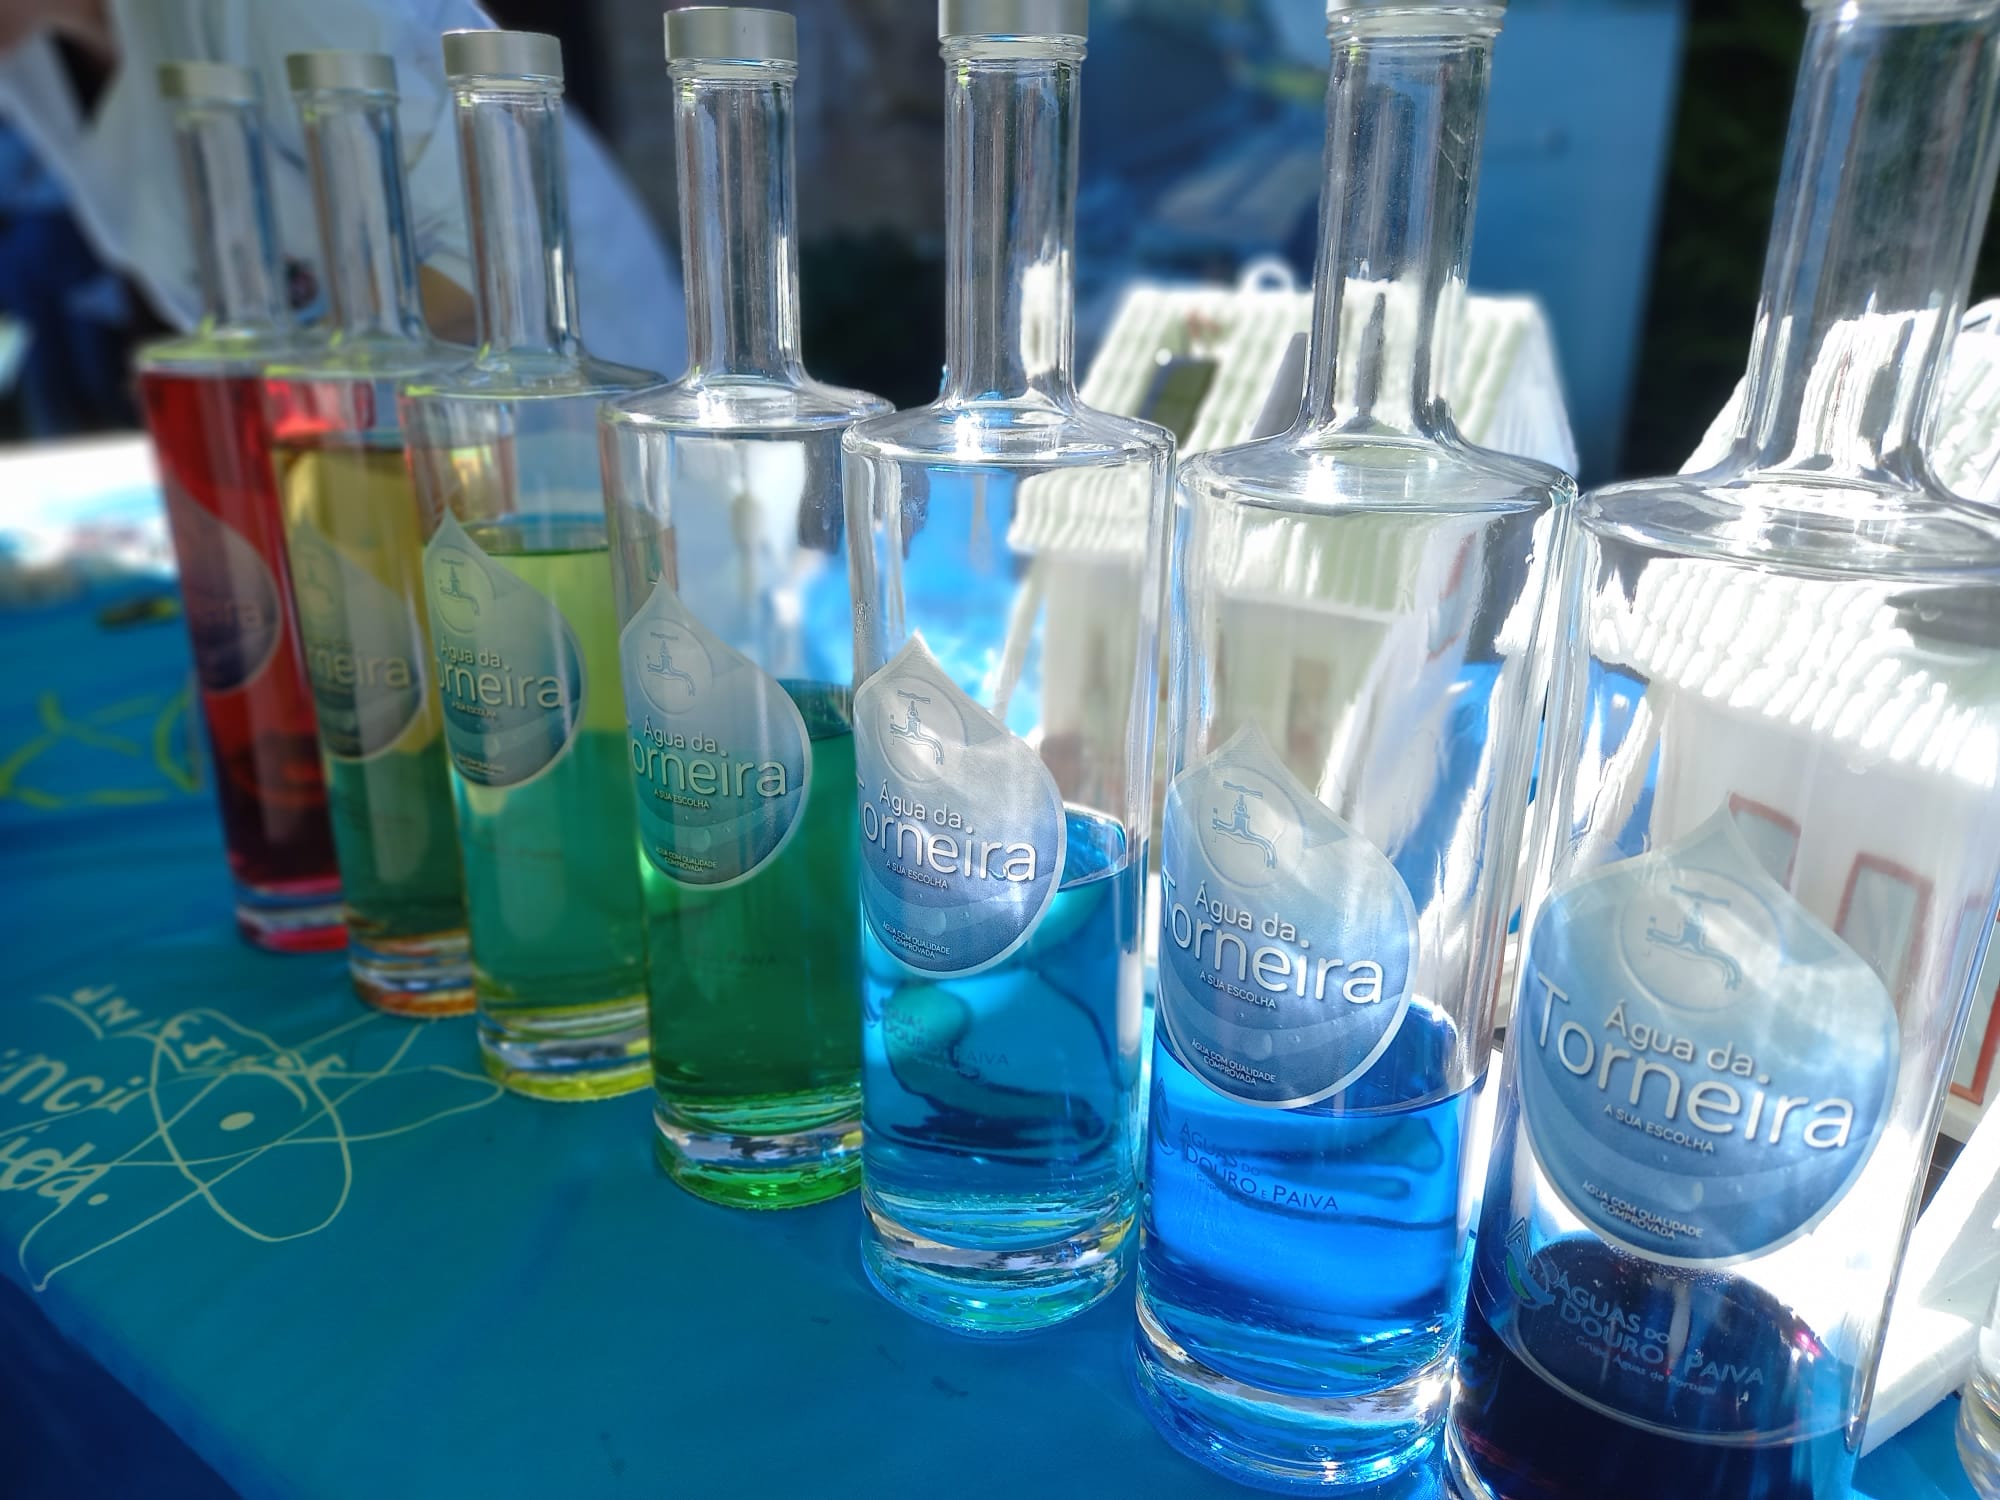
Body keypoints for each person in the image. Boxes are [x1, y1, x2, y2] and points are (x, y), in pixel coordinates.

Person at [0, 0, 686, 376]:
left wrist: (285, 401)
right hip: (365, 450)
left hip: (561, 419)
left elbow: (495, 254)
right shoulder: (29, 61)